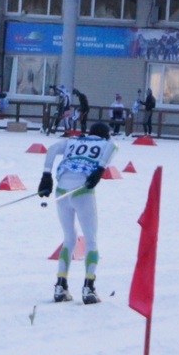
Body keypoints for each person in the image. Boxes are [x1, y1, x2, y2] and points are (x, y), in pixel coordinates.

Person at [38, 121, 117, 304]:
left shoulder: (73, 141)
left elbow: (51, 149)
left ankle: (60, 286)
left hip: (62, 191)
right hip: (83, 192)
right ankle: (89, 288)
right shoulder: (106, 143)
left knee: (69, 238)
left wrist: (46, 175)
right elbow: (113, 145)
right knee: (91, 239)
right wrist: (100, 169)